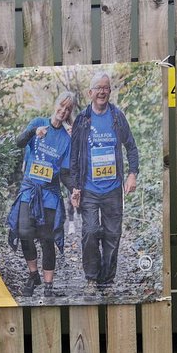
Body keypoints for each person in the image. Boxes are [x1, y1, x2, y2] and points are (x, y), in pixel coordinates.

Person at [67, 71, 139, 288]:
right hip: (89, 189)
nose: (102, 92)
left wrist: (132, 174)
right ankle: (91, 277)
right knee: (89, 232)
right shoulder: (82, 119)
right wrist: (75, 187)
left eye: (105, 88)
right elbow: (74, 156)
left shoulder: (117, 117)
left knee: (112, 235)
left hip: (113, 189)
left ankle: (106, 281)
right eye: (98, 88)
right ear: (90, 93)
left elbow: (131, 147)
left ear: (110, 91)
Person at [6, 91, 76, 298]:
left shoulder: (66, 138)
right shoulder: (38, 123)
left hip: (49, 194)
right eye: (61, 106)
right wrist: (33, 132)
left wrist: (74, 190)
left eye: (67, 109)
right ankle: (33, 274)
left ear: (69, 113)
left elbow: (64, 173)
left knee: (47, 239)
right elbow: (18, 142)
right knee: (25, 233)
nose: (63, 111)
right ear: (55, 105)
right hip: (29, 190)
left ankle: (48, 286)